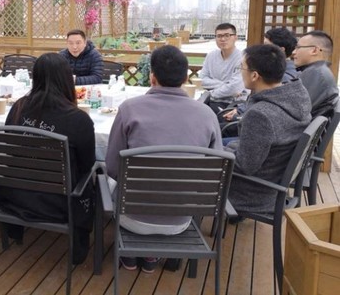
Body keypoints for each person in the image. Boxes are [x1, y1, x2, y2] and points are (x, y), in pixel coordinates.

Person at [106, 45, 222, 272]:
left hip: (131, 216)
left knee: (108, 182)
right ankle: (151, 257)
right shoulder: (206, 114)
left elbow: (112, 167)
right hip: (180, 220)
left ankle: (130, 256)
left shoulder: (129, 109)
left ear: (152, 77)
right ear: (186, 78)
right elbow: (214, 171)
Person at [2, 53, 96, 264]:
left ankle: (15, 231)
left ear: (35, 77)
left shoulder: (18, 107)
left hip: (16, 195)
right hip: (60, 202)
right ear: (67, 79)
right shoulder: (79, 119)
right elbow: (87, 164)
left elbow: (10, 147)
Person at [227, 44, 311, 214]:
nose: (240, 71)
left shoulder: (260, 115)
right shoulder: (297, 97)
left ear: (254, 75)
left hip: (251, 193)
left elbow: (245, 166)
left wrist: (216, 152)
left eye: (241, 67)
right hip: (272, 184)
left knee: (191, 166)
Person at [221, 26, 299, 125]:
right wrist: (240, 110)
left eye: (266, 45)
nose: (262, 49)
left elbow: (267, 109)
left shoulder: (282, 78)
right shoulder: (277, 71)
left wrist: (240, 114)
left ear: (281, 50)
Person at [291, 30, 339, 119]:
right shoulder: (320, 71)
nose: (294, 52)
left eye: (298, 47)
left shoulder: (316, 73)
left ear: (314, 50)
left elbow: (293, 110)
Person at [199, 23, 245, 113]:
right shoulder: (211, 56)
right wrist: (226, 84)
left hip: (234, 105)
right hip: (210, 101)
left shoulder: (243, 58)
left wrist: (210, 93)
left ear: (235, 37)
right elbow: (202, 80)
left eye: (227, 35)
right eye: (219, 36)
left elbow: (235, 89)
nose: (223, 39)